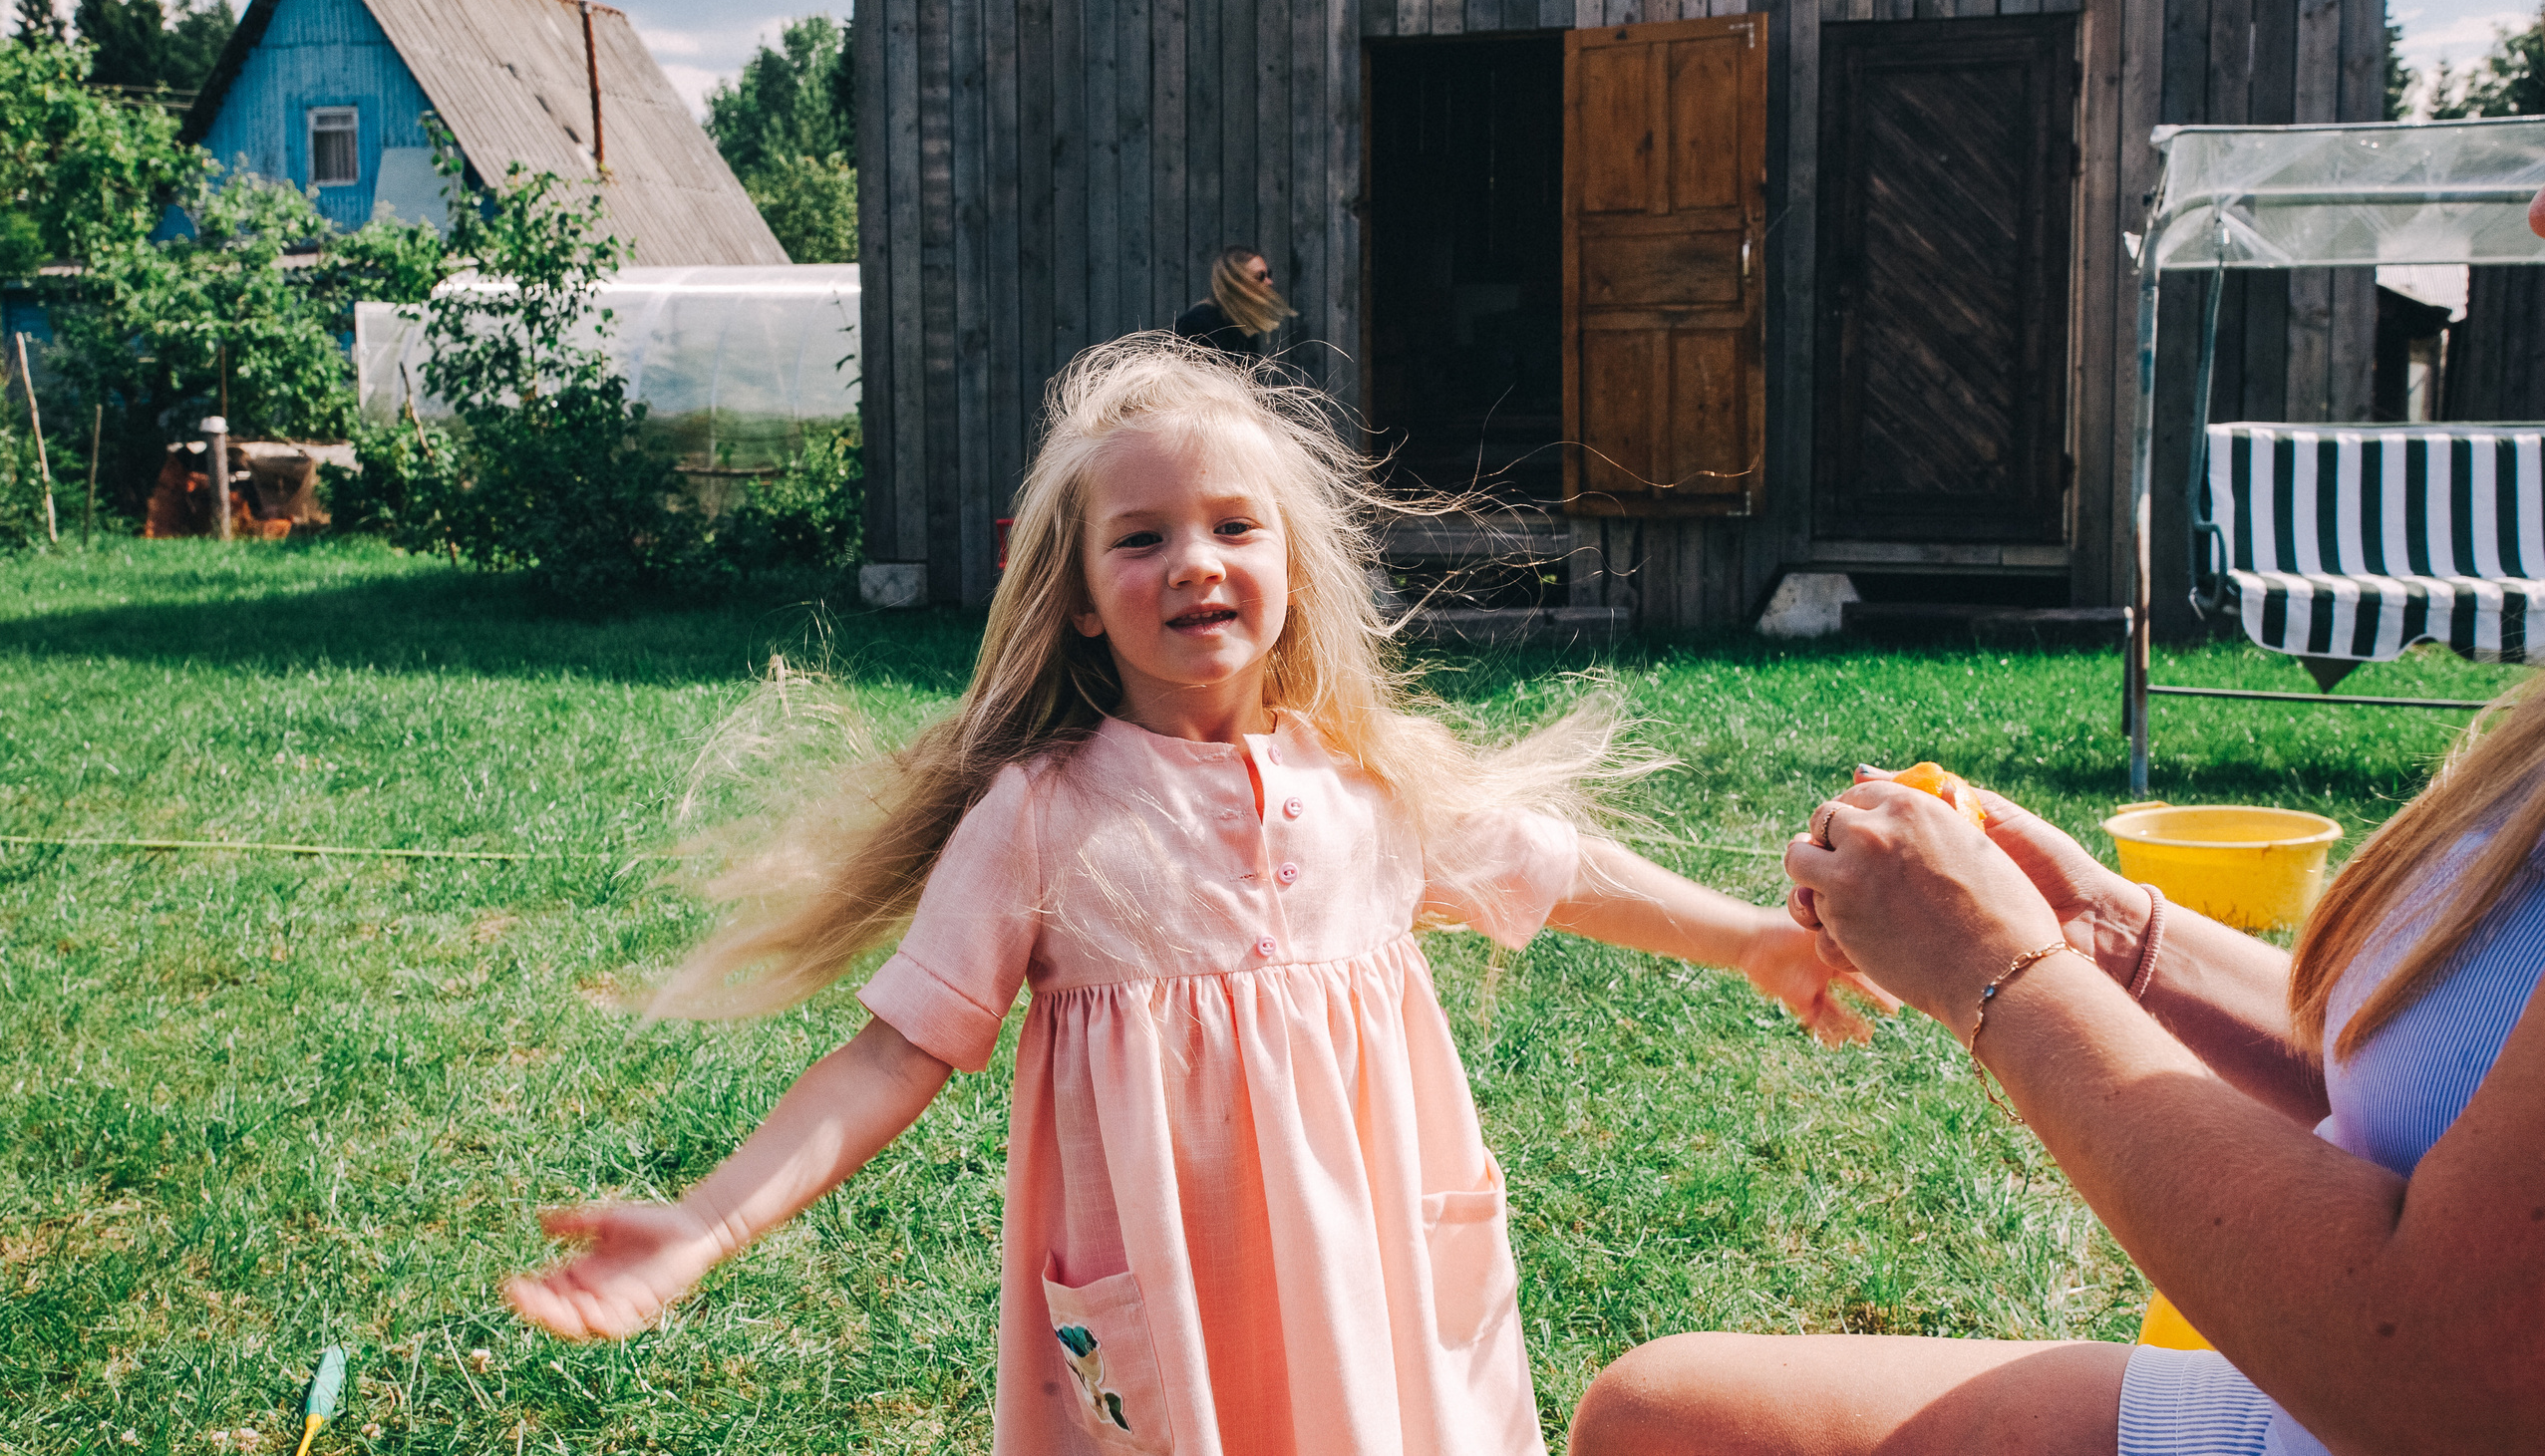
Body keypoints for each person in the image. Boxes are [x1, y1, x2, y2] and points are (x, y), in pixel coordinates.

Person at [503, 335, 1886, 1455]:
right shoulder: (1041, 816)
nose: (1195, 560)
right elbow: (896, 1050)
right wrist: (708, 1219)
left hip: (1377, 1295)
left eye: (1235, 523)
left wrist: (1756, 940)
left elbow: (1562, 869)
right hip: (1175, 1304)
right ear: (1084, 596)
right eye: (1142, 535)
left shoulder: (1369, 786)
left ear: (1290, 566)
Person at [1567, 689, 2545, 1455]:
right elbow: (2437, 1089)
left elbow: (2449, 1393)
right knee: (1655, 1423)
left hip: (2383, 1405)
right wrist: (2106, 933)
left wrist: (1994, 964)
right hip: (2322, 1408)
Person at [1173, 243, 1293, 359]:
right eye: (1260, 276)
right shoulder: (1195, 324)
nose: (1269, 282)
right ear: (1236, 282)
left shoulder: (1242, 323)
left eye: (1268, 275)